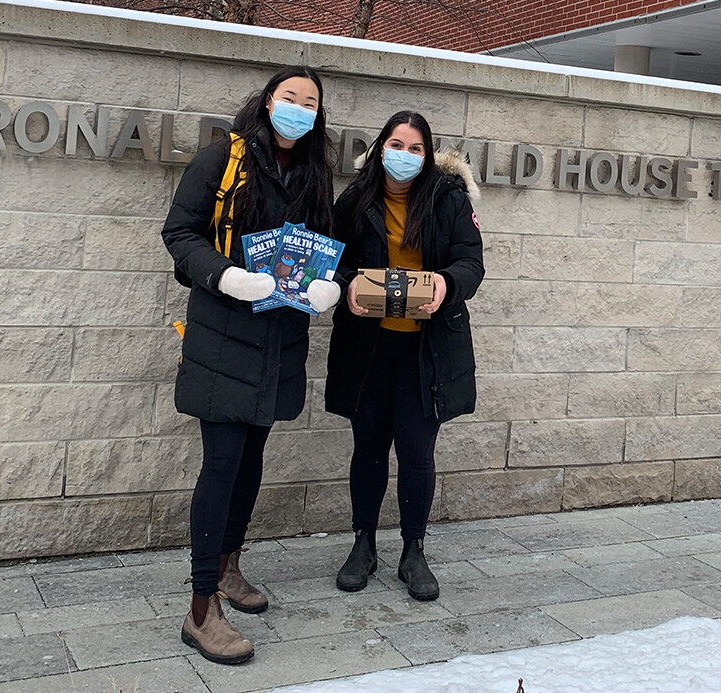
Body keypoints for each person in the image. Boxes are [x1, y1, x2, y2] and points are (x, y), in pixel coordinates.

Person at [161, 66, 339, 665]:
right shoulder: (223, 158)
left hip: (280, 339)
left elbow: (322, 251)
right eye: (289, 96)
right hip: (222, 333)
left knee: (252, 460)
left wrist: (326, 288)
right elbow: (179, 233)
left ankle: (231, 564)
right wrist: (226, 275)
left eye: (309, 101)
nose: (298, 107)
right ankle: (200, 607)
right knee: (222, 463)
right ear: (267, 101)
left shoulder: (314, 172)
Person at [325, 111, 485, 602]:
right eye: (396, 144)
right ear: (379, 148)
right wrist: (346, 282)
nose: (405, 155)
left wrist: (447, 282)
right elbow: (330, 258)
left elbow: (471, 262)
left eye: (416, 148)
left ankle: (413, 551)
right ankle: (363, 544)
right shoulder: (355, 199)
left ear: (428, 154)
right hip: (368, 347)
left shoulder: (448, 199)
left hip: (426, 350)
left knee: (417, 453)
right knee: (368, 448)